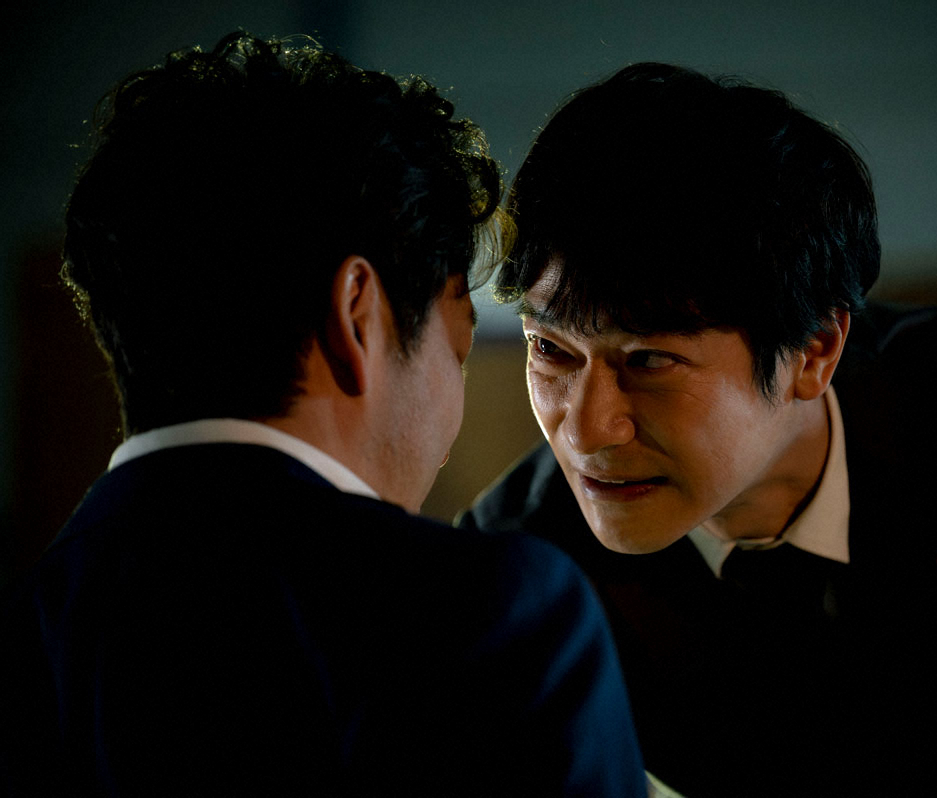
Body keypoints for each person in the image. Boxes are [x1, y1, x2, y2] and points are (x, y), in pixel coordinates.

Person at [459, 62, 937, 796]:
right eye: (550, 349)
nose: (587, 430)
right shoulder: (521, 570)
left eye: (649, 361)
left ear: (813, 351)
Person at [0, 33, 646, 797]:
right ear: (357, 313)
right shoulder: (491, 619)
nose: (447, 441)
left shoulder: (32, 631)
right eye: (457, 351)